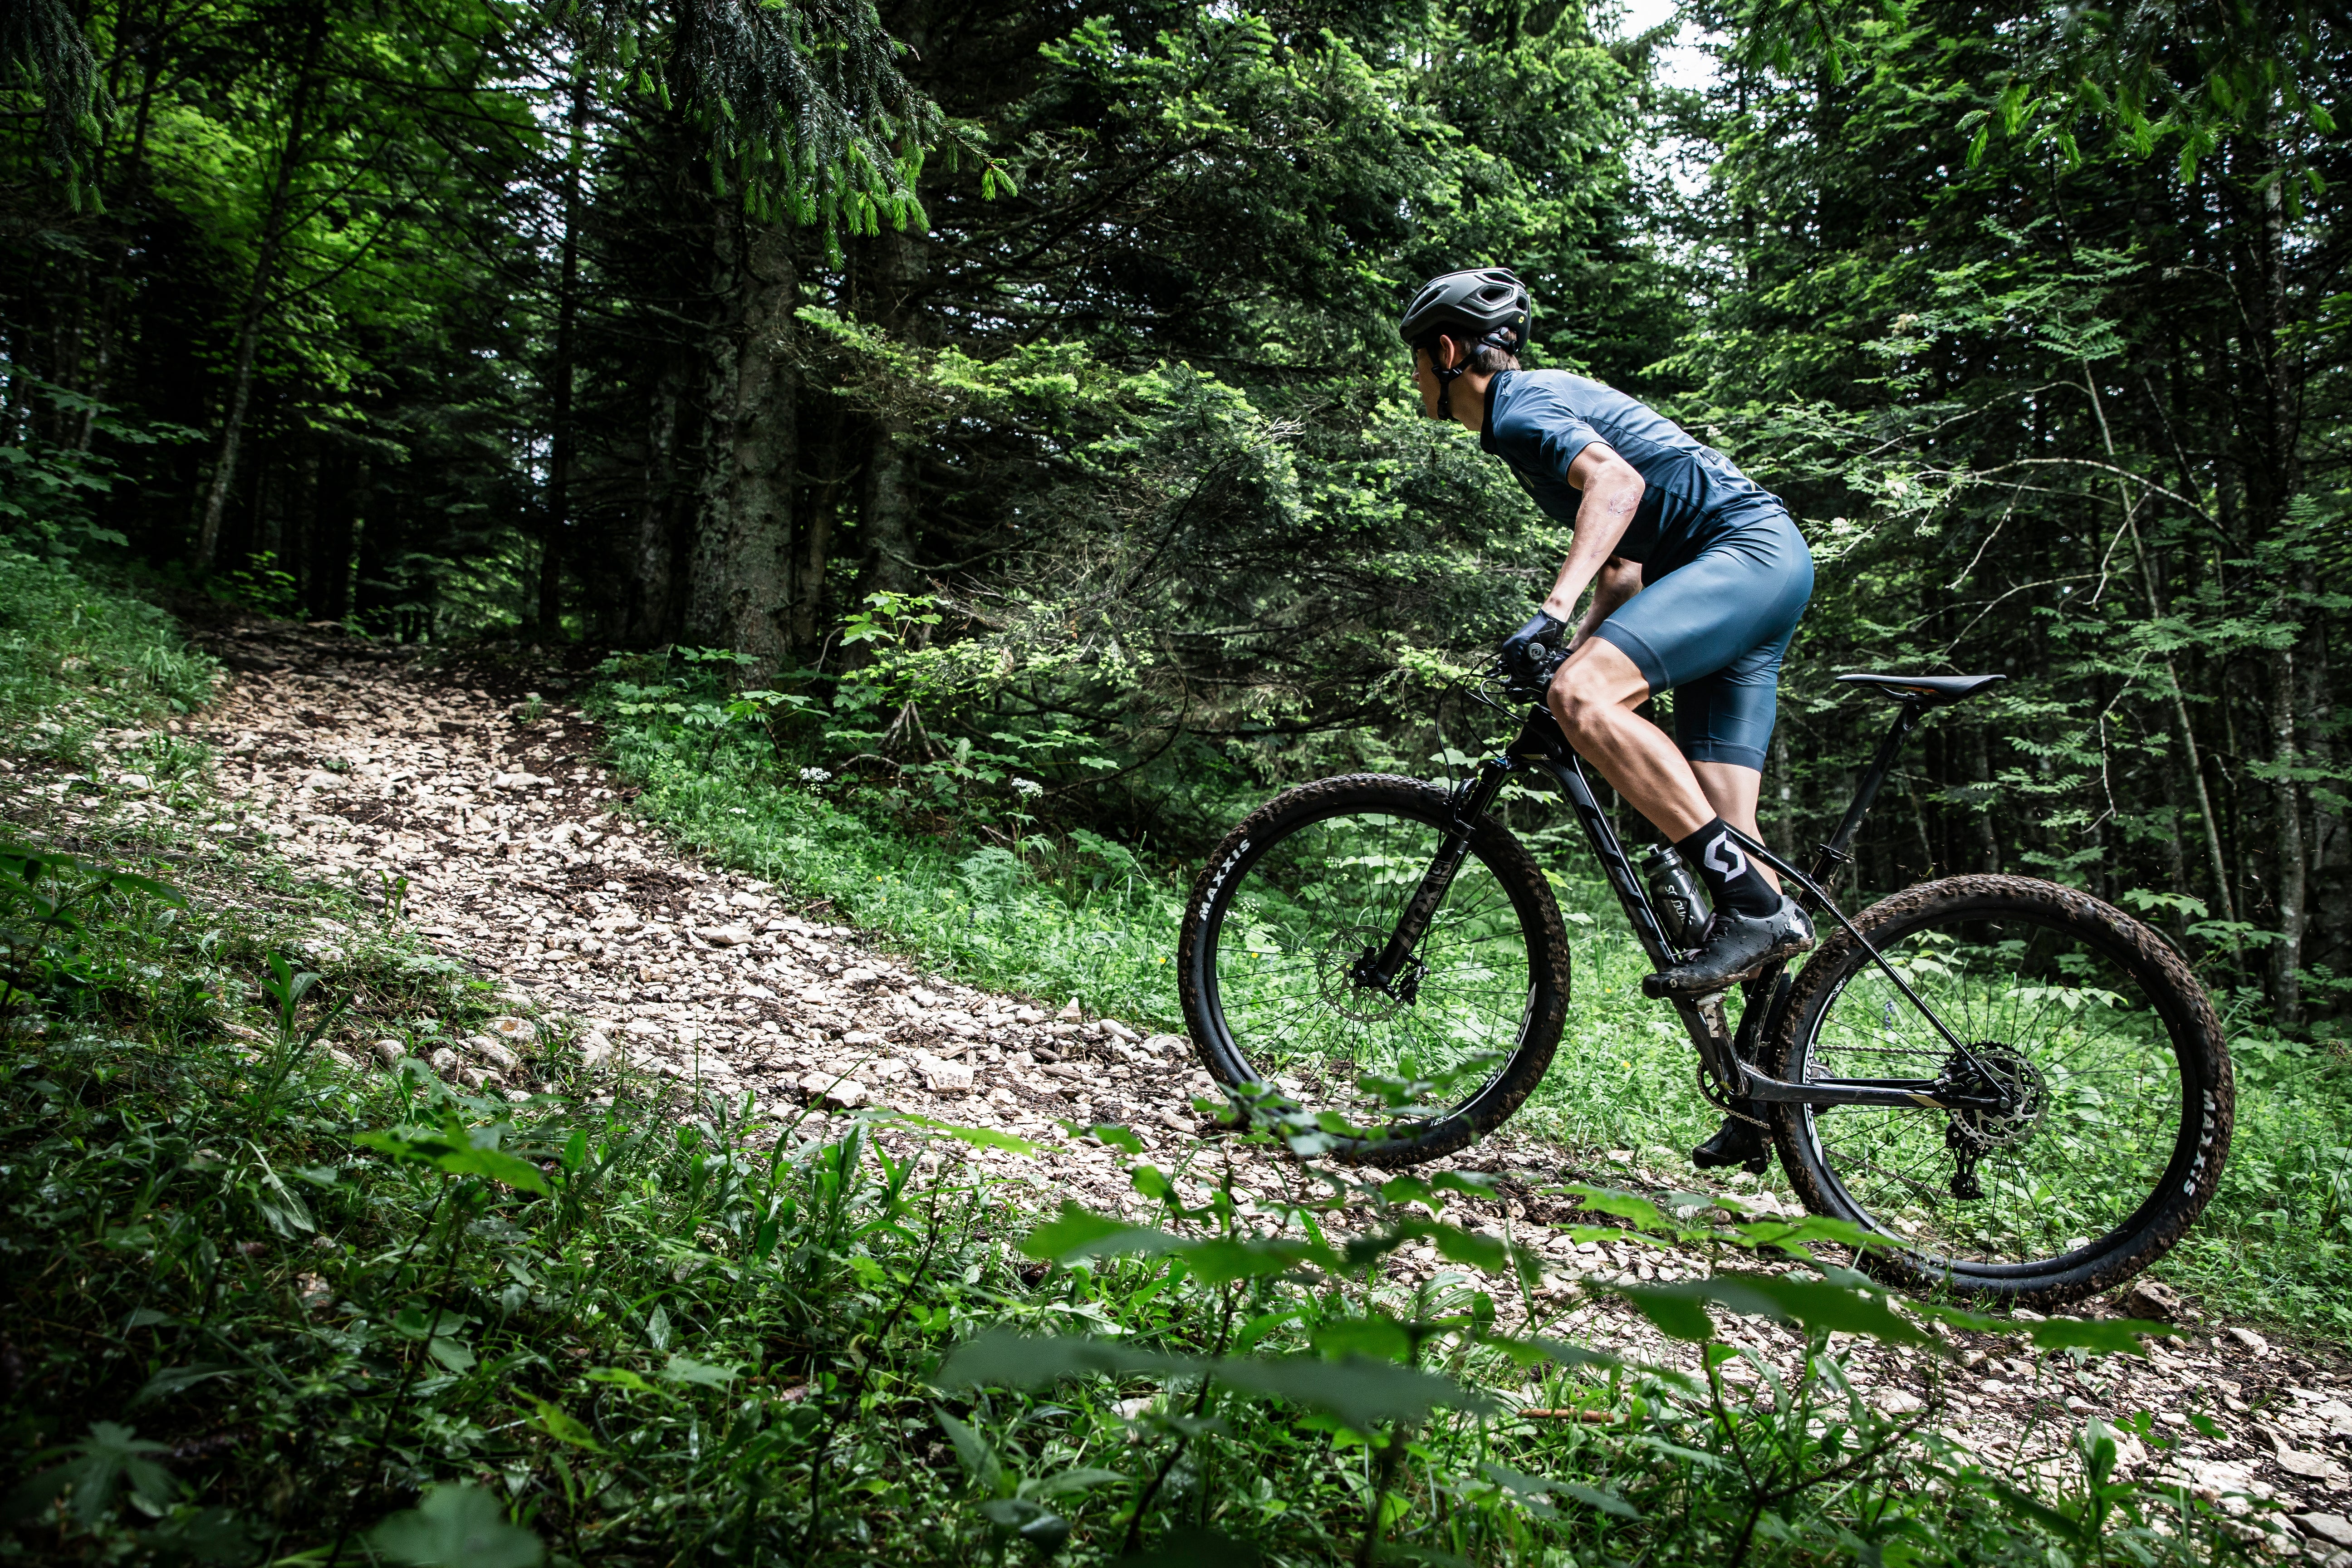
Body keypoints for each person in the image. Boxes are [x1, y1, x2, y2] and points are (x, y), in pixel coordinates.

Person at [1401, 265, 1817, 1173]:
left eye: (1415, 366)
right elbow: (1626, 568)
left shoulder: (1518, 405)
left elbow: (1618, 489)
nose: (1415, 385)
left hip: (1740, 557)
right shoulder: (1532, 420)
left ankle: (1751, 910)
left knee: (1589, 701)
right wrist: (1580, 644)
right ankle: (1762, 1105)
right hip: (1754, 569)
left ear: (1445, 352)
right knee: (1733, 845)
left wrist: (1555, 623)